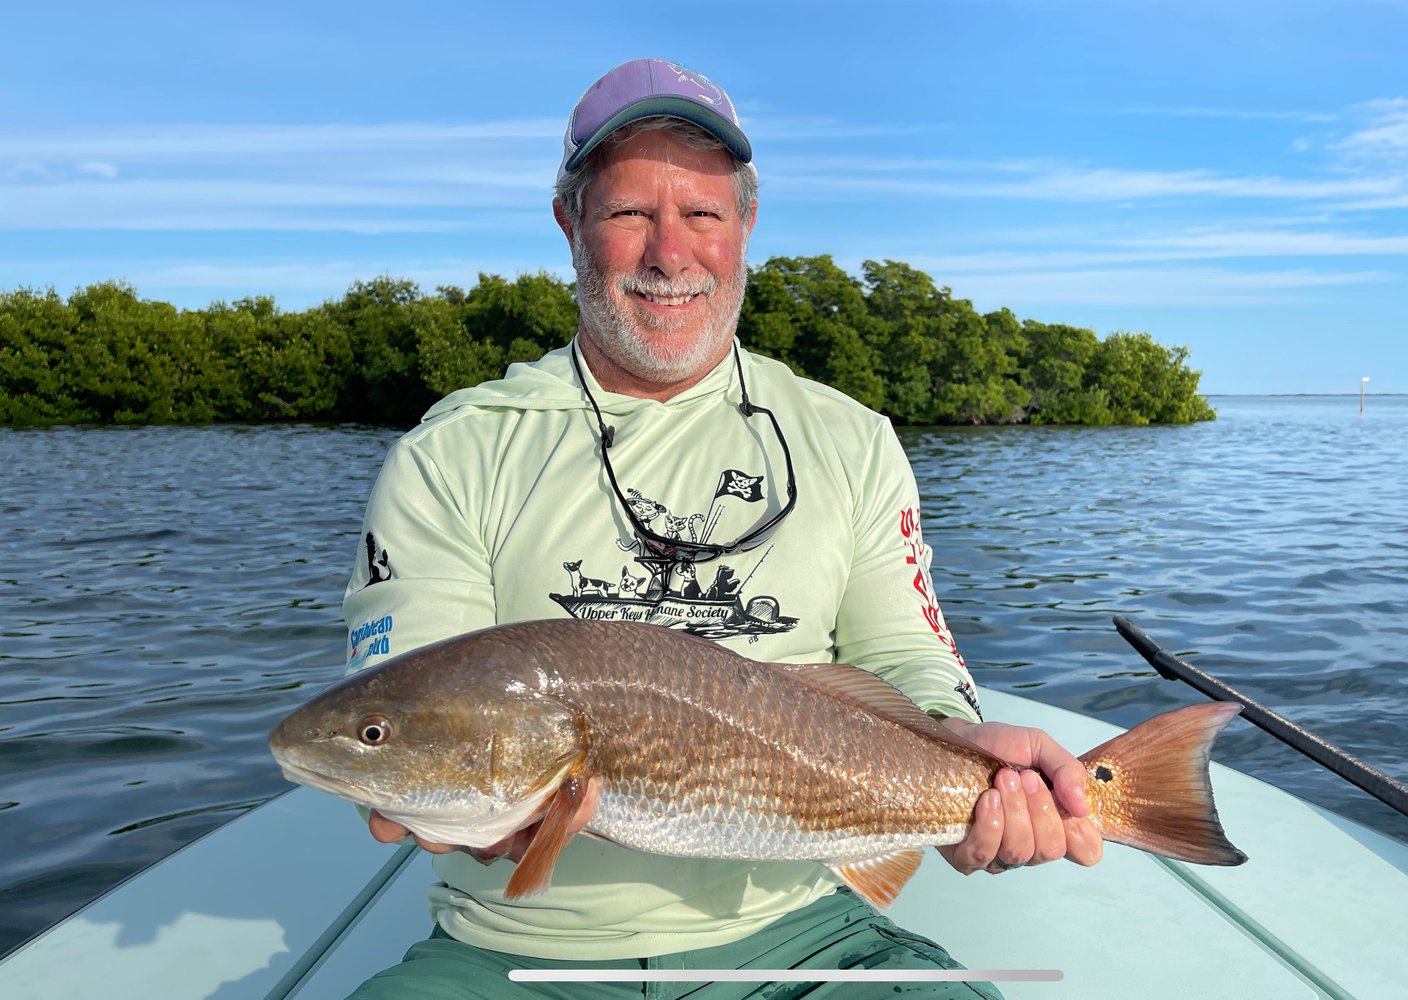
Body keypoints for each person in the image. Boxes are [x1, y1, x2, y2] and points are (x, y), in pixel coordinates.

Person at [340, 57, 1102, 999]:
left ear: (744, 226)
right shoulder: (451, 454)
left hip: (805, 933)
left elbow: (906, 657)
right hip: (515, 950)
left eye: (702, 215)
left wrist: (965, 753)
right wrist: (417, 794)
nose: (669, 253)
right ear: (569, 225)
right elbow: (414, 716)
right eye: (628, 214)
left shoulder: (851, 438)